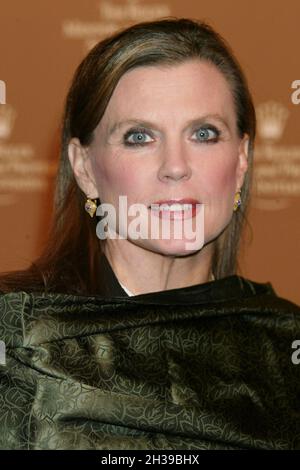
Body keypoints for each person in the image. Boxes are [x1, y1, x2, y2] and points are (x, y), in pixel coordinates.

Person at [0, 18, 299, 450]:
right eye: (139, 137)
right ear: (84, 168)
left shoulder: (284, 348)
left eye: (203, 134)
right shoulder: (18, 337)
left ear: (241, 161)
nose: (175, 166)